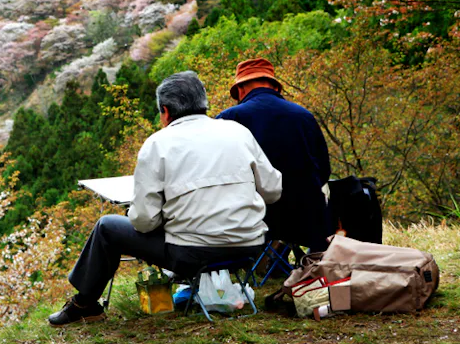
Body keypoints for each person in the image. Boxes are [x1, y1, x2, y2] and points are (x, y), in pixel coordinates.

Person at [48, 71, 282, 326]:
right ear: (204, 104)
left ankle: (85, 304)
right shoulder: (239, 133)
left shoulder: (157, 144)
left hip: (191, 255)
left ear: (166, 110)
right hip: (249, 246)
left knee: (107, 227)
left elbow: (144, 222)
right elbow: (273, 190)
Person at [215, 58, 332, 252]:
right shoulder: (304, 116)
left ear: (241, 90)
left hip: (253, 220)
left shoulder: (229, 118)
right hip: (307, 219)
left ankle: (270, 258)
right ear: (275, 87)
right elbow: (324, 170)